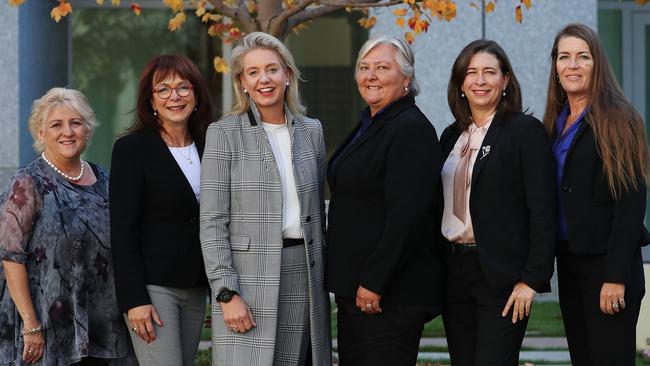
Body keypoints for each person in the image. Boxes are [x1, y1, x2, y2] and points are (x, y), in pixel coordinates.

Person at [199, 32, 331, 366]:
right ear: (242, 83)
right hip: (246, 278)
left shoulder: (312, 131)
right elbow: (212, 221)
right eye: (253, 72)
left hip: (302, 272)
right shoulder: (224, 133)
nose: (264, 79)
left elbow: (316, 209)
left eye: (272, 69)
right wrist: (226, 292)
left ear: (287, 74)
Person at [325, 35, 442, 365]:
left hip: (388, 294)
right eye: (364, 67)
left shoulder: (410, 129)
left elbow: (408, 215)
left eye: (382, 67)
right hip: (357, 290)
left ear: (406, 78)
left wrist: (374, 281)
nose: (370, 75)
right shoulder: (371, 123)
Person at [439, 39, 556, 365]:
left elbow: (543, 210)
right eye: (471, 73)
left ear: (505, 80)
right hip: (453, 272)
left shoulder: (524, 132)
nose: (480, 80)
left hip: (501, 276)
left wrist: (532, 280)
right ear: (461, 83)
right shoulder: (451, 136)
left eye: (489, 72)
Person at [0, 88, 135, 365]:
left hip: (104, 326)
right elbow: (11, 257)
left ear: (87, 130)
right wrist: (31, 324)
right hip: (47, 328)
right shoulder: (26, 184)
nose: (68, 132)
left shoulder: (107, 180)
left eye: (76, 123)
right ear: (41, 134)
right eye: (56, 125)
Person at [543, 23, 648, 366]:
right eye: (564, 57)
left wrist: (615, 277)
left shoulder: (619, 118)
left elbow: (631, 205)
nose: (572, 65)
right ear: (555, 67)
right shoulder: (554, 123)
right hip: (570, 264)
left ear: (597, 64)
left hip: (608, 267)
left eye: (582, 57)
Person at [109, 54, 212, 366]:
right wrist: (134, 300)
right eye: (163, 90)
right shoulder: (132, 150)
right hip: (154, 290)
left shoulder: (211, 144)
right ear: (151, 100)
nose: (175, 97)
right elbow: (123, 230)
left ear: (196, 94)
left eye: (183, 87)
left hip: (197, 285)